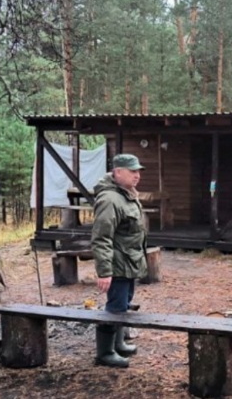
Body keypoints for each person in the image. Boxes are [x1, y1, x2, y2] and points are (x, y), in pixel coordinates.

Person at [91, 153, 148, 368]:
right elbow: (101, 237)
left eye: (138, 171)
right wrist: (104, 271)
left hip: (129, 263)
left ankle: (119, 343)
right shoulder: (109, 199)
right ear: (117, 172)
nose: (137, 175)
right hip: (117, 265)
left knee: (124, 305)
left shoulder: (126, 194)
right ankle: (105, 353)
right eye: (132, 171)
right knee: (115, 308)